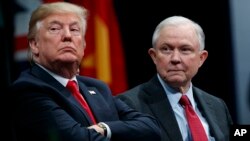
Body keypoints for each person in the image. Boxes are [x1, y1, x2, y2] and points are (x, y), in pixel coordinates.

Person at [9, 2, 161, 141]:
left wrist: (104, 128)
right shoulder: (28, 89)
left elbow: (151, 127)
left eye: (74, 29)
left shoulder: (98, 88)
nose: (67, 36)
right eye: (55, 29)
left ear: (84, 45)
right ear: (35, 45)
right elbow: (78, 138)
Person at [117, 16, 233, 141]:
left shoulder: (218, 106)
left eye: (185, 50)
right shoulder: (129, 104)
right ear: (154, 56)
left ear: (201, 58)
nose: (175, 58)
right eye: (166, 49)